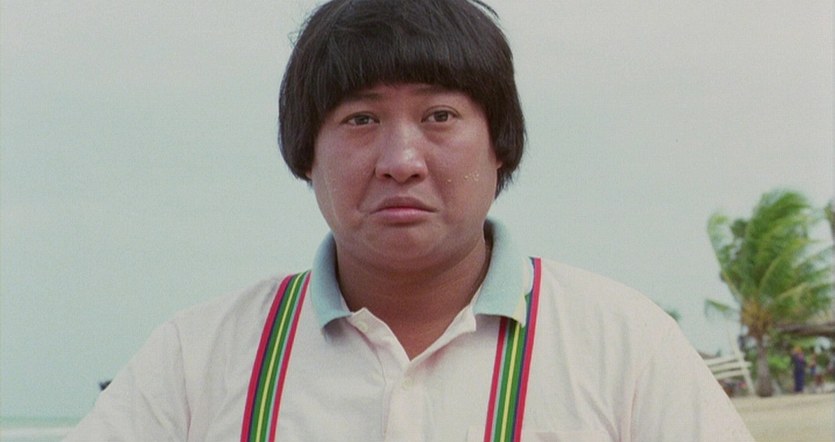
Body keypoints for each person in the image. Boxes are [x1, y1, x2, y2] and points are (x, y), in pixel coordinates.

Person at [65, 0, 754, 440]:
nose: (400, 161)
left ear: (500, 144)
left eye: (439, 116)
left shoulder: (623, 344)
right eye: (360, 119)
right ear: (305, 153)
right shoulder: (197, 357)